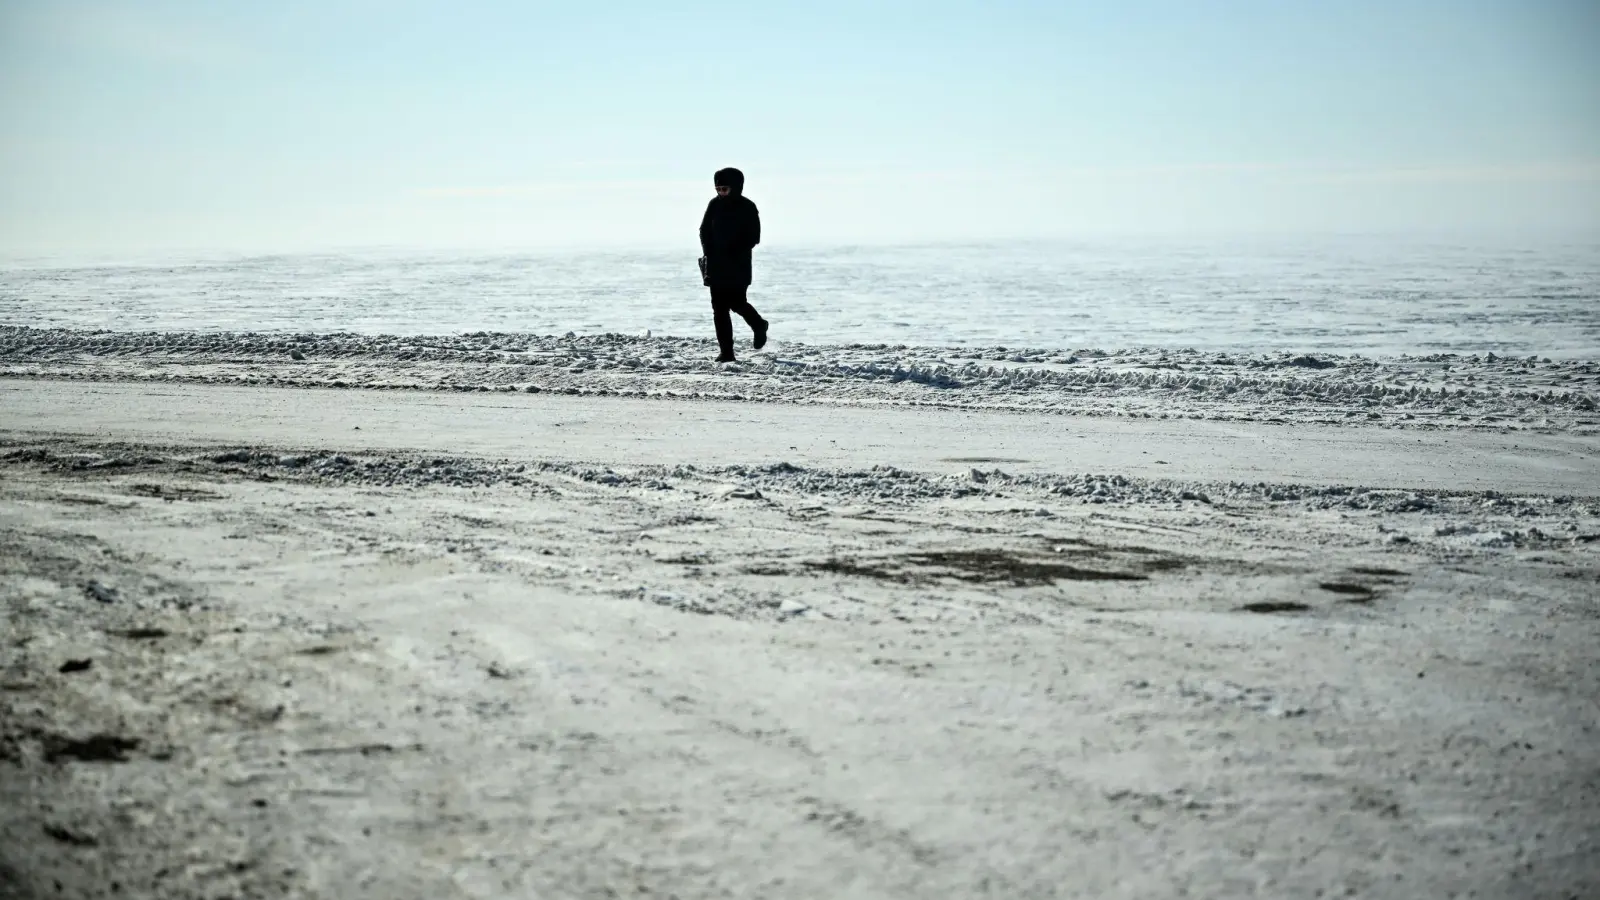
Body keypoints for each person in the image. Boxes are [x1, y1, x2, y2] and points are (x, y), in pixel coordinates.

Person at [698, 167, 768, 362]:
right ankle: (727, 352)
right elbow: (703, 229)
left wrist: (732, 250)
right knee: (719, 308)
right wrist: (708, 252)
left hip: (738, 265)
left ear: (736, 187)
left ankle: (759, 325)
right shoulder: (714, 204)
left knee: (737, 303)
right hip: (715, 264)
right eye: (718, 189)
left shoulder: (748, 207)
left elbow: (754, 237)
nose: (721, 193)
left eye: (725, 189)